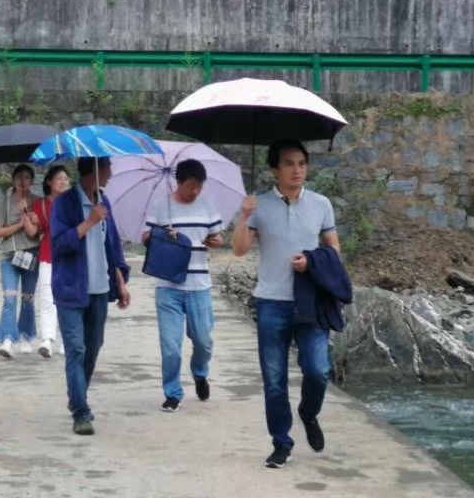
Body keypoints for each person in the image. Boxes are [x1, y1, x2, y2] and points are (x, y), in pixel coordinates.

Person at [232, 139, 341, 468]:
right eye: (289, 164)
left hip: (311, 302)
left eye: (302, 163)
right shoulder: (259, 205)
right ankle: (281, 442)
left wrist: (313, 262)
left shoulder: (321, 204)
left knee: (318, 371)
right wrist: (244, 215)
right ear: (274, 170)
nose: (297, 170)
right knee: (274, 380)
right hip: (271, 303)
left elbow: (334, 248)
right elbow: (239, 249)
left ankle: (309, 413)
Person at [50, 156, 131, 435]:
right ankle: (81, 413)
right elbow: (59, 244)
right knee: (76, 348)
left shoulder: (103, 201)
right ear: (94, 171)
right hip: (71, 289)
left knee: (94, 346)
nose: (111, 174)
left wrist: (120, 283)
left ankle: (76, 397)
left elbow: (113, 247)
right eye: (108, 168)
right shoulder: (64, 203)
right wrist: (89, 222)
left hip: (99, 289)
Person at [142, 159, 224, 412]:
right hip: (168, 286)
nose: (195, 191)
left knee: (203, 341)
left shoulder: (207, 204)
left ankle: (199, 372)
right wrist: (162, 235)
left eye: (199, 186)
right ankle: (172, 393)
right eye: (190, 186)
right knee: (170, 347)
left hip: (200, 286)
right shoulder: (161, 206)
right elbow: (145, 238)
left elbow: (218, 237)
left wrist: (216, 242)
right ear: (179, 182)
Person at [0, 163, 39, 358]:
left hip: (30, 254)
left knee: (28, 298)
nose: (23, 181)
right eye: (19, 177)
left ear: (32, 181)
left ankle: (26, 336)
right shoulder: (4, 202)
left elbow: (34, 232)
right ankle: (7, 339)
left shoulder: (37, 202)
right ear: (13, 180)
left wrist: (26, 215)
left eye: (27, 177)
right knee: (9, 297)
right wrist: (19, 224)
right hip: (9, 256)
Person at [31, 165, 71, 358]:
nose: (63, 182)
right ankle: (47, 339)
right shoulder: (40, 204)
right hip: (48, 253)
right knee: (47, 296)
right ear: (49, 182)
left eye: (66, 179)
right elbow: (36, 231)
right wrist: (33, 220)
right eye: (59, 178)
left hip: (70, 254)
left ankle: (67, 340)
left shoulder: (73, 202)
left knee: (68, 298)